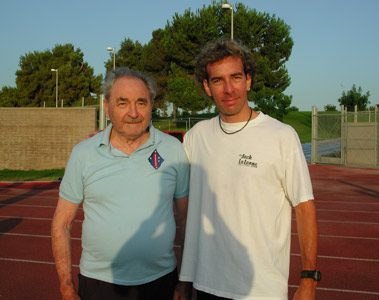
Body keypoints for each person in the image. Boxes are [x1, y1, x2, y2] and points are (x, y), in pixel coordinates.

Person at [174, 39, 319, 300]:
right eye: (218, 80)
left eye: (236, 77)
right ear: (207, 86)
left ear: (249, 80)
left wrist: (309, 279)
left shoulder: (281, 136)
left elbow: (304, 208)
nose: (229, 89)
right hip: (206, 286)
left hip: (261, 290)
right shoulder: (197, 137)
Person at [52, 67, 190, 300]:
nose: (133, 113)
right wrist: (66, 287)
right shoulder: (83, 153)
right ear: (107, 107)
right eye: (123, 103)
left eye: (141, 102)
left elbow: (186, 219)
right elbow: (61, 224)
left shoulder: (173, 149)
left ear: (152, 105)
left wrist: (185, 280)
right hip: (99, 284)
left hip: (161, 282)